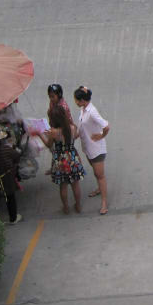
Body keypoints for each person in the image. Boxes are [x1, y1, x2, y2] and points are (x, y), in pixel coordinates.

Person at [39, 105, 86, 214]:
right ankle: (78, 205)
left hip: (60, 160)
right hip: (72, 157)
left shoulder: (53, 132)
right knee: (75, 184)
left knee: (63, 186)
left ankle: (66, 207)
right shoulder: (72, 127)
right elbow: (74, 137)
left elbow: (48, 144)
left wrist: (40, 134)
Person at [75, 86, 111, 215]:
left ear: (83, 101)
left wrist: (101, 136)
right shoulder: (83, 109)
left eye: (77, 100)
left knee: (100, 176)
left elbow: (106, 126)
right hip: (88, 148)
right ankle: (100, 190)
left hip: (96, 150)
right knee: (97, 173)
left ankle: (104, 203)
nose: (76, 102)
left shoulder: (92, 112)